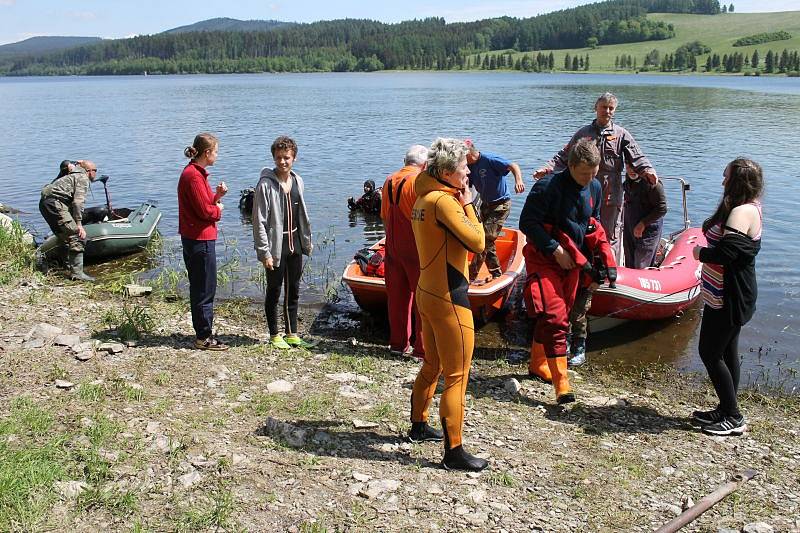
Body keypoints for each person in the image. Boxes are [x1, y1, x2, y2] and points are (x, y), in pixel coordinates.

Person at [409, 138, 487, 471]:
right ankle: (454, 452)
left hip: (427, 290)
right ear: (445, 172)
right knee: (457, 375)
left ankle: (417, 425)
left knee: (433, 365)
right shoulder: (445, 202)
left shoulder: (423, 198)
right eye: (463, 167)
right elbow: (478, 241)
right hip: (449, 298)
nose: (468, 170)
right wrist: (469, 203)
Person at [519, 139, 602, 404]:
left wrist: (594, 268)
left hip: (573, 263)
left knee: (560, 315)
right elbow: (527, 223)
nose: (588, 178)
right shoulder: (546, 187)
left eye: (593, 172)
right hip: (545, 258)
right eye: (583, 173)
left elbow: (592, 227)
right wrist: (555, 249)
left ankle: (537, 363)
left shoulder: (595, 187)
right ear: (570, 165)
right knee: (555, 317)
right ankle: (561, 383)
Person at [533, 92, 657, 260]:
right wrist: (547, 169)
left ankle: (610, 266)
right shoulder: (583, 133)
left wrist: (648, 170)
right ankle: (583, 260)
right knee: (583, 223)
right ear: (596, 108)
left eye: (611, 108)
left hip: (611, 190)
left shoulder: (621, 134)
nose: (607, 111)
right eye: (604, 107)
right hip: (585, 186)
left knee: (610, 230)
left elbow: (637, 156)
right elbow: (564, 155)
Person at [691, 158, 763, 436]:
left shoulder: (742, 212)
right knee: (727, 350)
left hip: (730, 296)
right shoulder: (746, 207)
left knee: (709, 352)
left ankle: (733, 416)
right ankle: (725, 408)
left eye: (726, 177)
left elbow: (726, 255)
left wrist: (700, 254)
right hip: (721, 294)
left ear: (738, 181)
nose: (722, 182)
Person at [253, 136, 314, 350]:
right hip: (276, 246)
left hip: (295, 243)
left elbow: (302, 215)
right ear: (273, 158)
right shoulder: (265, 185)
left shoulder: (298, 181)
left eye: (286, 158)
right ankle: (274, 334)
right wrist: (264, 252)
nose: (282, 162)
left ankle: (292, 332)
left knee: (293, 289)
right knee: (274, 289)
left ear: (294, 158)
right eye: (278, 158)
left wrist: (306, 241)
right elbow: (259, 221)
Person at [178, 133, 229, 351]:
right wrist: (217, 210)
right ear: (207, 153)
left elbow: (203, 202)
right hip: (200, 239)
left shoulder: (195, 173)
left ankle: (203, 333)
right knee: (204, 288)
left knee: (201, 286)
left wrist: (216, 196)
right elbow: (204, 211)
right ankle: (203, 337)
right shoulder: (193, 176)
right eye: (216, 151)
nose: (217, 155)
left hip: (195, 237)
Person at [380, 145, 428, 358]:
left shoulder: (389, 180)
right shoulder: (418, 182)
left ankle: (398, 345)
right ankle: (422, 348)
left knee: (396, 298)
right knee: (422, 298)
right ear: (425, 164)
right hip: (414, 247)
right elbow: (423, 220)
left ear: (404, 160)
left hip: (392, 244)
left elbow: (384, 216)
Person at [464, 139, 524, 281]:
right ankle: (492, 273)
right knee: (483, 238)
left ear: (470, 154)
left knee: (485, 239)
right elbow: (466, 185)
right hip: (485, 204)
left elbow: (513, 165)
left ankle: (478, 273)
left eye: (462, 156)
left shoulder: (489, 160)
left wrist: (519, 180)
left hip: (500, 205)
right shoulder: (468, 166)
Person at [39, 159, 101, 281]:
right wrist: (79, 224)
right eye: (95, 171)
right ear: (89, 171)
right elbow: (78, 203)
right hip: (55, 203)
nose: (96, 174)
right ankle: (77, 273)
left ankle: (67, 267)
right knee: (76, 236)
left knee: (64, 237)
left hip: (44, 204)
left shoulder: (71, 175)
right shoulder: (82, 178)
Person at [622, 163, 667, 269]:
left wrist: (642, 224)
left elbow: (662, 208)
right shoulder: (627, 184)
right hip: (630, 228)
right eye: (628, 167)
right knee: (630, 262)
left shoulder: (653, 184)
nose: (632, 170)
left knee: (640, 264)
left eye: (634, 167)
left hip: (648, 230)